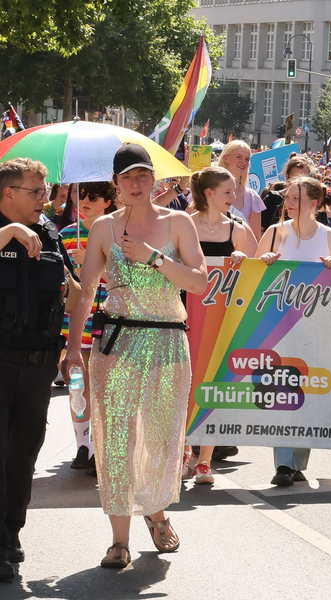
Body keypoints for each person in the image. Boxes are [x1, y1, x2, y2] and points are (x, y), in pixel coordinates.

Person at [62, 144, 207, 568]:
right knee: (117, 439)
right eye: (127, 177)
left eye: (143, 174)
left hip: (167, 344)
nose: (136, 183)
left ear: (154, 178)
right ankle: (119, 541)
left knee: (160, 437)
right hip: (117, 345)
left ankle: (157, 513)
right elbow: (86, 292)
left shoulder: (177, 222)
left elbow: (198, 282)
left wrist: (154, 258)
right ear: (116, 184)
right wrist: (72, 348)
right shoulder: (104, 227)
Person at [0, 158, 80, 580]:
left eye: (45, 192)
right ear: (8, 193)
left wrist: (75, 278)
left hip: (39, 366)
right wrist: (10, 232)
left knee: (23, 456)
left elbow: (75, 298)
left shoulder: (49, 232)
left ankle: (11, 531)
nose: (44, 200)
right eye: (35, 192)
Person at [256, 176, 331, 487]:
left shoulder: (330, 236)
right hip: (278, 325)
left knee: (306, 390)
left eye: (296, 198)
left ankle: (297, 462)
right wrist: (264, 262)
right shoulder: (273, 233)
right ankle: (283, 463)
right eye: (288, 197)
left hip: (316, 326)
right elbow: (254, 274)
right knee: (282, 389)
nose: (288, 202)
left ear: (314, 204)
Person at [184, 166, 252, 486]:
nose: (234, 197)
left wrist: (242, 258)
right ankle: (183, 450)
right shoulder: (184, 224)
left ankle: (204, 461)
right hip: (184, 314)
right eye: (228, 191)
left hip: (220, 318)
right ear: (209, 194)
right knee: (184, 384)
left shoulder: (238, 230)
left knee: (212, 384)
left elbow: (256, 273)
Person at [60, 182, 117, 477]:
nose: (84, 201)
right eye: (79, 195)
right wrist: (73, 273)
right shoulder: (66, 234)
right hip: (74, 320)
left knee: (103, 385)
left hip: (108, 318)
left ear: (107, 201)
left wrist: (95, 266)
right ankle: (83, 445)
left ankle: (99, 447)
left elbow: (124, 279)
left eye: (92, 197)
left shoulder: (118, 233)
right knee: (77, 385)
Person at [218, 140, 267, 234]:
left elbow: (255, 238)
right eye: (238, 157)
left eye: (247, 159)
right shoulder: (207, 190)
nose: (243, 162)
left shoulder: (252, 197)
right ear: (225, 158)